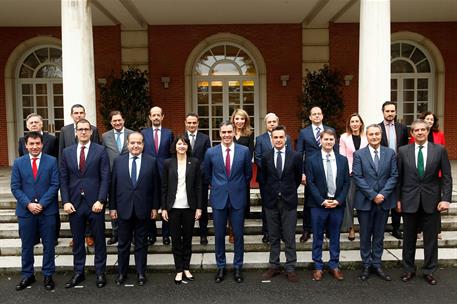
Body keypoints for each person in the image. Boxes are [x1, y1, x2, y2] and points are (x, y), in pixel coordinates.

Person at [397, 119, 452, 285]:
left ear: (428, 131)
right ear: (412, 134)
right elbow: (399, 177)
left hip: (432, 201)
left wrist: (446, 199)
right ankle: (408, 269)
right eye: (416, 130)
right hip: (409, 200)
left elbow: (447, 177)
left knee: (431, 239)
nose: (420, 132)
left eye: (423, 130)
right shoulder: (402, 151)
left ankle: (429, 271)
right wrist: (398, 199)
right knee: (408, 239)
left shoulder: (440, 150)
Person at [60, 118, 110, 288]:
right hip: (74, 204)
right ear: (76, 132)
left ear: (91, 131)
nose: (83, 132)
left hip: (95, 203)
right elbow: (63, 179)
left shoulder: (101, 150)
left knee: (99, 240)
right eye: (80, 129)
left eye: (86, 129)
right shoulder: (67, 152)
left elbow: (105, 177)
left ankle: (100, 273)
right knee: (77, 240)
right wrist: (65, 201)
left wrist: (101, 200)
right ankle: (78, 272)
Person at [203, 121, 252, 283]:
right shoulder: (211, 152)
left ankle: (238, 267)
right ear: (219, 134)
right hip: (219, 198)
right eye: (223, 132)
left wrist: (235, 187)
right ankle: (221, 266)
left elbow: (247, 175)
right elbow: (207, 175)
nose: (226, 135)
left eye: (229, 132)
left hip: (238, 198)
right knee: (218, 236)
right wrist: (220, 186)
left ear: (233, 132)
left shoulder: (244, 151)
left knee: (238, 235)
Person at [11, 132, 60, 291]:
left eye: (37, 143)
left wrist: (42, 204)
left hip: (47, 211)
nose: (34, 146)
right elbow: (15, 187)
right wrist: (28, 204)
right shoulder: (18, 163)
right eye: (31, 144)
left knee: (49, 245)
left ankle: (48, 275)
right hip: (26, 212)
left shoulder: (52, 161)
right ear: (26, 145)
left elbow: (55, 184)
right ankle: (27, 275)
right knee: (26, 246)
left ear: (42, 144)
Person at [109, 132, 159, 286]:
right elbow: (113, 186)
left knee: (141, 243)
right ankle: (122, 273)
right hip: (123, 209)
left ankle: (140, 273)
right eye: (132, 143)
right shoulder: (119, 161)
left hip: (143, 209)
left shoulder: (152, 161)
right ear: (127, 144)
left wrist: (155, 207)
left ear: (143, 145)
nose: (135, 145)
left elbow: (156, 186)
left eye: (139, 143)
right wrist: (112, 207)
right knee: (123, 244)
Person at [352, 124, 398, 281]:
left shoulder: (390, 153)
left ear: (380, 135)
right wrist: (373, 195)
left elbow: (394, 176)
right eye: (371, 134)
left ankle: (377, 263)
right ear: (367, 135)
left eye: (377, 134)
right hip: (365, 201)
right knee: (365, 235)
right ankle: (366, 264)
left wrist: (383, 194)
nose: (374, 137)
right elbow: (357, 177)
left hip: (384, 201)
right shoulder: (359, 154)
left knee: (379, 235)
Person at [305, 129, 349, 281]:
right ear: (320, 141)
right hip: (318, 205)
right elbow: (310, 182)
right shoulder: (311, 159)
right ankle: (318, 266)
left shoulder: (342, 160)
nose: (328, 142)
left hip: (337, 205)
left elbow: (346, 183)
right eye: (326, 139)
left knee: (335, 236)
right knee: (317, 236)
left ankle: (334, 265)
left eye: (331, 139)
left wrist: (338, 200)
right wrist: (322, 200)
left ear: (335, 141)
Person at [260, 125, 302, 283]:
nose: (278, 140)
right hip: (271, 202)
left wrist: (286, 191)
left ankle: (290, 267)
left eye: (280, 137)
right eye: (275, 137)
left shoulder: (295, 156)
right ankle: (274, 265)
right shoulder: (265, 156)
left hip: (288, 201)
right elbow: (263, 179)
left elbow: (297, 178)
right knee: (274, 235)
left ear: (286, 139)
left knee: (290, 236)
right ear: (271, 139)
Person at [161, 135, 202, 284]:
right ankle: (178, 269)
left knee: (188, 239)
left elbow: (198, 186)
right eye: (179, 144)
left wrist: (199, 207)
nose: (182, 146)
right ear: (175, 146)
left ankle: (186, 267)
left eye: (184, 144)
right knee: (176, 240)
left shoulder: (195, 162)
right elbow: (164, 186)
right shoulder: (168, 163)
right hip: (173, 208)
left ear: (188, 147)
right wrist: (164, 208)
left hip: (189, 208)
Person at [59, 104, 101, 247]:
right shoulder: (64, 130)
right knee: (76, 215)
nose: (79, 115)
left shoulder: (93, 130)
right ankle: (77, 236)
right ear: (71, 115)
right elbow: (61, 152)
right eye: (76, 113)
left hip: (90, 178)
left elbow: (96, 151)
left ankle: (89, 235)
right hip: (73, 179)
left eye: (81, 112)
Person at [296, 106, 338, 243]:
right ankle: (306, 230)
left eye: (319, 114)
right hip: (310, 172)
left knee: (328, 198)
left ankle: (328, 229)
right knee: (309, 201)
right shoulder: (304, 132)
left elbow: (335, 151)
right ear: (310, 117)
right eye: (314, 114)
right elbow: (299, 153)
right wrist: (302, 172)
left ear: (322, 115)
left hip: (328, 170)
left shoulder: (329, 131)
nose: (316, 116)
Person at [18, 113, 59, 245]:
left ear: (42, 124)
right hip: (30, 184)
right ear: (27, 126)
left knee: (51, 213)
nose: (34, 124)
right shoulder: (22, 140)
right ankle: (34, 237)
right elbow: (22, 160)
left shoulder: (52, 139)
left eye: (36, 122)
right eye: (31, 123)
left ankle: (53, 237)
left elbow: (57, 158)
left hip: (47, 183)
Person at [254, 113, 292, 243]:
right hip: (266, 180)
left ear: (278, 122)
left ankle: (281, 232)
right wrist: (271, 170)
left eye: (274, 122)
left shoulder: (287, 138)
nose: (271, 124)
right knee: (267, 207)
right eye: (269, 122)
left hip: (283, 180)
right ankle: (267, 233)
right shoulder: (260, 139)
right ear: (266, 124)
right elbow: (258, 157)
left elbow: (291, 157)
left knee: (282, 207)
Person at [410, 111, 446, 240]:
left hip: (435, 176)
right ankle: (419, 230)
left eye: (431, 119)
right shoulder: (415, 138)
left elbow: (442, 153)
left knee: (434, 205)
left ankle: (437, 230)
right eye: (427, 119)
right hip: (417, 179)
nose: (430, 121)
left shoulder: (439, 135)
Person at [141, 106, 174, 245]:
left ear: (162, 117)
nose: (155, 117)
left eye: (158, 115)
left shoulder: (169, 133)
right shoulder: (143, 133)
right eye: (153, 115)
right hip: (148, 173)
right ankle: (151, 234)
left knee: (166, 204)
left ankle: (166, 235)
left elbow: (172, 152)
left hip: (165, 173)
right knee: (150, 204)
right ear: (149, 117)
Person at [102, 111, 133, 245]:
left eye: (119, 120)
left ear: (124, 120)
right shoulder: (105, 136)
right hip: (111, 176)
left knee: (130, 204)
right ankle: (116, 233)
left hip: (129, 175)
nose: (117, 123)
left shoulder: (132, 134)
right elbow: (103, 156)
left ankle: (131, 234)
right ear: (111, 122)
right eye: (114, 121)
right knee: (113, 204)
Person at [378, 101, 408, 240]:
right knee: (383, 195)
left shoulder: (402, 128)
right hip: (382, 167)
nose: (390, 114)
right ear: (383, 112)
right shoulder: (377, 128)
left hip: (399, 166)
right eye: (387, 111)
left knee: (397, 197)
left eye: (392, 111)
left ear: (396, 112)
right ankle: (381, 227)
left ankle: (396, 228)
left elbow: (406, 148)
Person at [339, 113, 368, 241]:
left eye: (357, 121)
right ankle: (351, 228)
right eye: (352, 122)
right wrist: (347, 171)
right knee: (349, 202)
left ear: (361, 123)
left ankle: (364, 227)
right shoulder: (344, 137)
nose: (355, 124)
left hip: (365, 174)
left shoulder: (367, 137)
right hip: (350, 174)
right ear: (349, 124)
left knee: (364, 201)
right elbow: (342, 156)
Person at [183, 113, 211, 245]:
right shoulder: (181, 138)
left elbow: (207, 158)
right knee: (185, 207)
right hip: (184, 179)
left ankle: (203, 234)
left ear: (198, 123)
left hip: (201, 179)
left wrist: (199, 172)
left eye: (194, 123)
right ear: (185, 123)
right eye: (189, 123)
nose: (191, 125)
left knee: (202, 207)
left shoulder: (205, 138)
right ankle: (186, 233)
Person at [230, 109, 254, 243]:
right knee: (229, 202)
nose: (239, 121)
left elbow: (249, 154)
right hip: (229, 173)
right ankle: (231, 231)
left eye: (242, 119)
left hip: (242, 174)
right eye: (237, 118)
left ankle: (239, 229)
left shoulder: (249, 134)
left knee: (240, 203)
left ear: (246, 120)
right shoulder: (229, 132)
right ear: (233, 119)